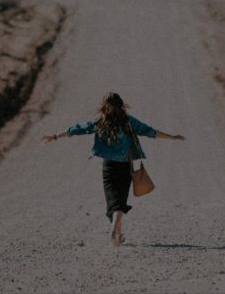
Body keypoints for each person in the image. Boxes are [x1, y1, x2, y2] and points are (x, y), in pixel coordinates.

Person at [42, 92, 185, 246]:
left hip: (108, 167)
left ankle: (116, 233)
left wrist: (55, 136)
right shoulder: (129, 122)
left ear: (104, 106)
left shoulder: (100, 122)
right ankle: (116, 233)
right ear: (121, 105)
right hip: (125, 166)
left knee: (112, 202)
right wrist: (172, 137)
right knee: (120, 201)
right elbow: (150, 132)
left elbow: (77, 129)